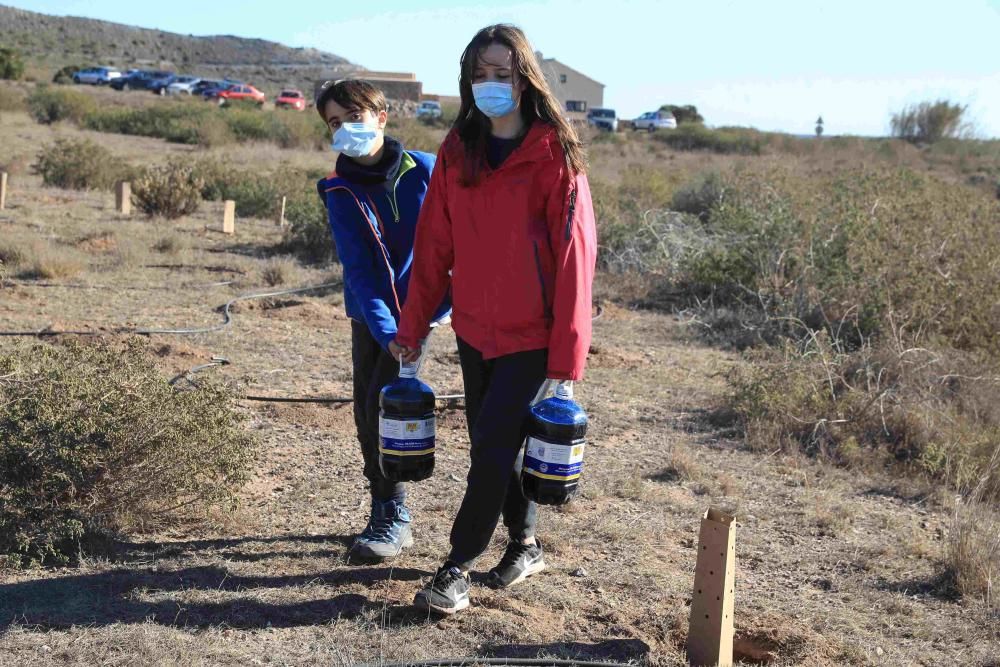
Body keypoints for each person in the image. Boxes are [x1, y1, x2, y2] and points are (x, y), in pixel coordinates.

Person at [388, 24, 597, 614]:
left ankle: (455, 567)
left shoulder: (554, 154)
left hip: (533, 334)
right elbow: (433, 247)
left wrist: (567, 360)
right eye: (480, 74)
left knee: (491, 448)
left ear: (525, 79)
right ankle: (525, 544)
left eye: (502, 74)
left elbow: (575, 259)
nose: (490, 85)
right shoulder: (460, 151)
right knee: (493, 442)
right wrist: (414, 329)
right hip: (475, 329)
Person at [315, 79, 451, 560]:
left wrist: (429, 318)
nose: (345, 128)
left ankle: (393, 515)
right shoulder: (339, 189)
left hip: (423, 311)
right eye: (334, 123)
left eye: (354, 117)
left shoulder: (430, 170)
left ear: (380, 116)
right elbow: (360, 271)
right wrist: (388, 330)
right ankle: (386, 506)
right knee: (366, 405)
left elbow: (455, 249)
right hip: (372, 315)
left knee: (388, 402)